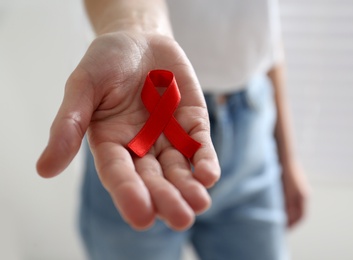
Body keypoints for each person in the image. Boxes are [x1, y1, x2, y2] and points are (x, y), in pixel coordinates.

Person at [37, 0, 309, 259]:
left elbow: (265, 32)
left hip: (252, 132)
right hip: (130, 124)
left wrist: (288, 156)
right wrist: (137, 30)